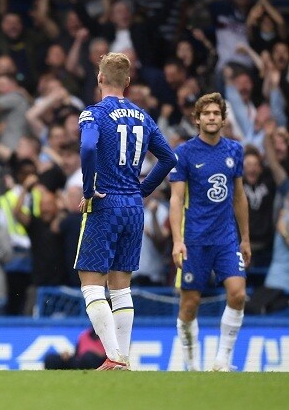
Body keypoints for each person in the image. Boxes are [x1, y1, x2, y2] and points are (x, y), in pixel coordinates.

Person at [76, 52, 176, 369]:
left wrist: (88, 189)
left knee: (92, 283)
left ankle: (114, 357)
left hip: (105, 203)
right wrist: (142, 190)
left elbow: (88, 147)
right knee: (121, 287)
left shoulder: (93, 114)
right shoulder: (143, 117)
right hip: (133, 207)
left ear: (100, 78)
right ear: (128, 82)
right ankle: (123, 358)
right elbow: (169, 158)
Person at [169, 93, 251, 372]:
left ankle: (222, 361)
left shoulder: (235, 150)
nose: (212, 117)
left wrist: (245, 238)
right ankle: (192, 366)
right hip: (194, 239)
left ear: (223, 119)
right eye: (207, 113)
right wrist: (177, 241)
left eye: (216, 113)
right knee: (190, 303)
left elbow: (239, 196)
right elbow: (176, 199)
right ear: (197, 119)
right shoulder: (184, 153)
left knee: (237, 294)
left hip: (226, 238)